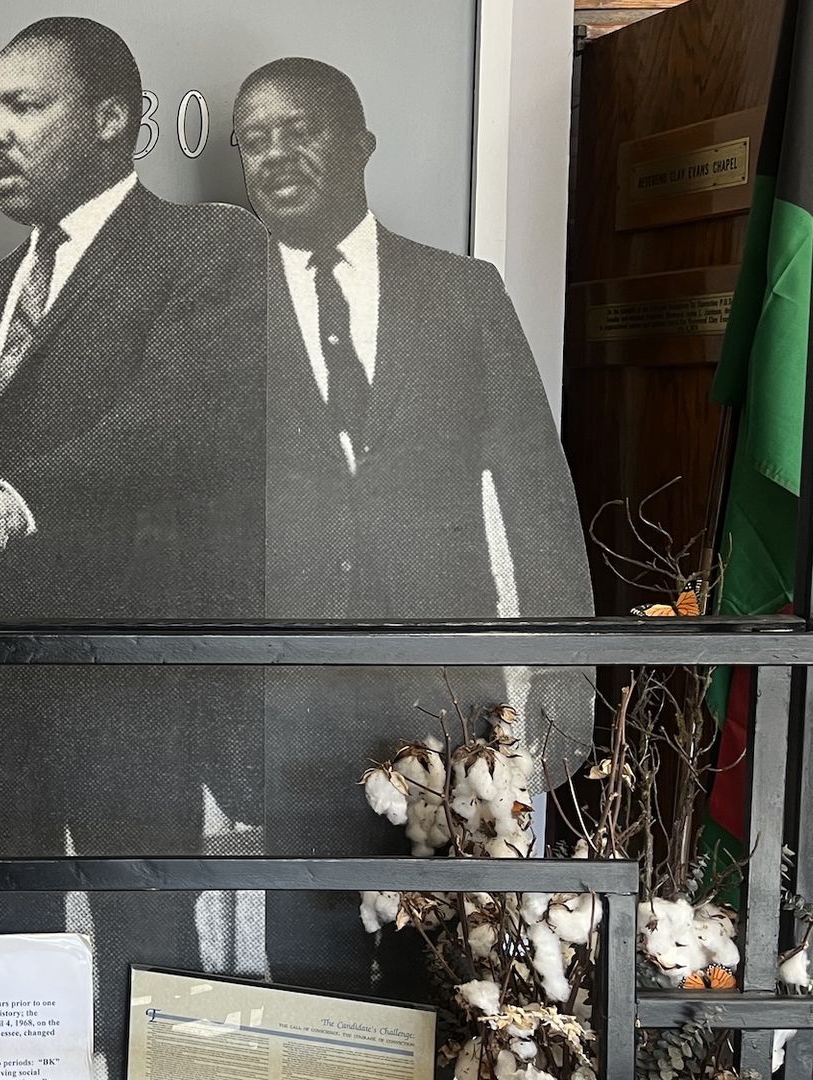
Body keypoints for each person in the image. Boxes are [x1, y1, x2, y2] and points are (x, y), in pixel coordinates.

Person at [0, 17, 266, 1063]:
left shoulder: (208, 248)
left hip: (128, 693)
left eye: (26, 105)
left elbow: (185, 417)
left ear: (113, 119)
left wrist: (21, 500)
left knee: (143, 959)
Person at [232, 57, 593, 991]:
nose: (274, 155)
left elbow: (537, 492)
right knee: (308, 964)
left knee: (452, 960)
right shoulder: (213, 315)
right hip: (288, 706)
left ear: (361, 142)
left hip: (441, 698)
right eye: (253, 139)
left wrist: (567, 673)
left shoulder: (463, 294)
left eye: (297, 129)